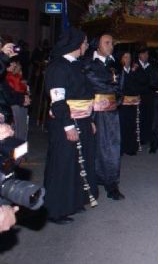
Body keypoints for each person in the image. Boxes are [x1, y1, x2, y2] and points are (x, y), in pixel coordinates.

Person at [44, 28, 98, 224]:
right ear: (75, 44)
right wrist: (68, 126)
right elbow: (58, 101)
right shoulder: (58, 67)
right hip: (65, 122)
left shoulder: (77, 65)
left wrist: (89, 120)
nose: (85, 45)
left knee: (78, 163)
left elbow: (84, 94)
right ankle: (55, 209)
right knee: (63, 164)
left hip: (82, 120)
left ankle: (74, 202)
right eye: (84, 42)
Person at [84, 33, 125, 200]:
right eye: (107, 42)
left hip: (111, 113)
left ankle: (111, 183)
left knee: (112, 147)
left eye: (112, 43)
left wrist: (114, 96)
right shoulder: (88, 64)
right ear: (97, 45)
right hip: (92, 112)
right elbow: (93, 83)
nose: (111, 46)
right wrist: (110, 89)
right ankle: (89, 183)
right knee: (93, 147)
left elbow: (120, 88)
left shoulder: (115, 65)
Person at [118, 51, 146, 156]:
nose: (127, 59)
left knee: (132, 125)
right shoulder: (119, 71)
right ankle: (121, 148)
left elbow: (143, 82)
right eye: (125, 57)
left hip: (133, 103)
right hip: (122, 104)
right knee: (122, 126)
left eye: (129, 57)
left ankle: (131, 148)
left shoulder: (135, 71)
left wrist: (135, 72)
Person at [5, 57, 30, 140]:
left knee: (20, 129)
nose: (14, 64)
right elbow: (12, 93)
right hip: (14, 106)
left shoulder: (16, 76)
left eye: (15, 63)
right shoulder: (9, 76)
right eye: (12, 62)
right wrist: (24, 97)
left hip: (18, 103)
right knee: (18, 132)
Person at [133, 46, 153, 146]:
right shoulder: (135, 66)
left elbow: (152, 80)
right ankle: (139, 138)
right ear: (139, 55)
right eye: (144, 54)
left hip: (148, 95)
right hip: (139, 95)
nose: (146, 56)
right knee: (139, 117)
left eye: (147, 54)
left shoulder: (150, 66)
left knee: (148, 116)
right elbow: (139, 80)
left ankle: (147, 137)